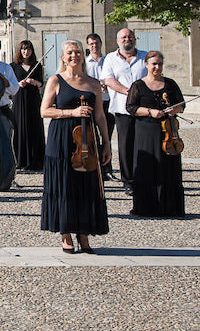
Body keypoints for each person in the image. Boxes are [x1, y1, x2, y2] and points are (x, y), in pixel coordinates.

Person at [39, 39, 111, 253]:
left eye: (78, 52)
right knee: (64, 185)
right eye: (70, 52)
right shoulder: (55, 80)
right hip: (61, 137)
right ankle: (66, 233)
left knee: (85, 185)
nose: (74, 56)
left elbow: (99, 115)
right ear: (63, 57)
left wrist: (106, 142)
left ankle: (84, 233)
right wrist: (71, 112)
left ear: (83, 55)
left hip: (87, 138)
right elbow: (44, 111)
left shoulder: (93, 83)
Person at [126, 51, 185, 218]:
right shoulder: (138, 85)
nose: (157, 67)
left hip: (168, 132)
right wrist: (151, 112)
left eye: (159, 64)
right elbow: (131, 107)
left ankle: (170, 207)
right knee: (147, 167)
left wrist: (175, 109)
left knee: (168, 167)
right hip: (146, 131)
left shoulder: (170, 84)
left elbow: (182, 104)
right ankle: (146, 207)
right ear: (146, 64)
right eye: (154, 64)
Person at [102, 28, 147, 196]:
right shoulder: (111, 59)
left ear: (135, 38)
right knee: (126, 146)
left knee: (144, 144)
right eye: (124, 37)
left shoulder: (145, 56)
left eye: (130, 36)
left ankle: (144, 177)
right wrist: (128, 92)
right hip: (122, 109)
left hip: (144, 109)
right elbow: (109, 80)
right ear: (117, 41)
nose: (127, 39)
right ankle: (128, 181)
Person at [10, 40, 45, 170]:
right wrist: (18, 84)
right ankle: (21, 160)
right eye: (24, 49)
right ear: (20, 51)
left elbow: (41, 83)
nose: (26, 52)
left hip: (33, 100)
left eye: (29, 49)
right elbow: (10, 84)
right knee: (19, 128)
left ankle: (36, 161)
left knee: (34, 127)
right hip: (19, 100)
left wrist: (34, 81)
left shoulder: (37, 65)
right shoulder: (13, 66)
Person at [84, 33, 113, 182]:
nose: (94, 46)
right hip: (92, 103)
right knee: (92, 135)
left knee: (107, 135)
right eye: (91, 44)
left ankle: (108, 169)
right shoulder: (85, 63)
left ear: (101, 43)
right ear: (88, 46)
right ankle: (95, 167)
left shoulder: (109, 61)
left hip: (107, 101)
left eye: (96, 43)